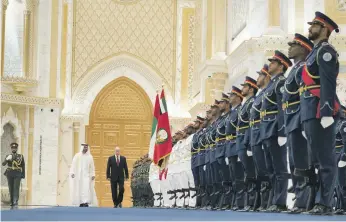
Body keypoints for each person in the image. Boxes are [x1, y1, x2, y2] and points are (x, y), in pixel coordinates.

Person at [300, 11, 340, 215]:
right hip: (309, 112)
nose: (310, 28)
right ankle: (315, 202)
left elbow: (327, 83)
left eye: (314, 24)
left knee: (325, 161)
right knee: (314, 161)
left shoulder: (326, 52)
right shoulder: (313, 53)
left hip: (319, 112)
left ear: (325, 28)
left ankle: (325, 203)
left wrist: (326, 112)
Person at [283, 33, 313, 214]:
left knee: (302, 162)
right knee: (294, 162)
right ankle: (299, 199)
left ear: (302, 48)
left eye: (293, 45)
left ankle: (304, 201)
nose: (290, 47)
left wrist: (303, 121)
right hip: (290, 119)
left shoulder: (303, 68)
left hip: (298, 118)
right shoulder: (294, 70)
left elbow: (305, 96)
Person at [261, 50, 292, 212]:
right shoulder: (271, 84)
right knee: (271, 169)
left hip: (275, 129)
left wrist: (282, 132)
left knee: (279, 168)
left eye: (273, 62)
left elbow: (282, 108)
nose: (270, 65)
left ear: (281, 66)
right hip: (267, 129)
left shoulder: (280, 83)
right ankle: (274, 200)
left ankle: (280, 201)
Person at [250, 64, 272, 211]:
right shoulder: (260, 95)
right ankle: (262, 202)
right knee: (260, 172)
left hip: (265, 133)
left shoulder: (268, 92)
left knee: (268, 170)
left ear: (266, 77)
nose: (258, 78)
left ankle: (269, 202)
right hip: (256, 135)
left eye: (260, 75)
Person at [237, 76, 258, 212]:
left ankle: (253, 202)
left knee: (251, 172)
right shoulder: (246, 104)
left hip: (247, 138)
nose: (242, 89)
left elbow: (250, 124)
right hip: (241, 139)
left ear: (251, 89)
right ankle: (248, 202)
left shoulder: (252, 103)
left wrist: (248, 142)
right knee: (246, 172)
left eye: (245, 86)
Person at [2, 142, 25, 209]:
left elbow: (23, 166)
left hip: (17, 173)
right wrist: (6, 159)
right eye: (12, 148)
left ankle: (15, 201)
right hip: (9, 173)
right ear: (11, 148)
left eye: (15, 148)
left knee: (16, 188)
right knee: (10, 188)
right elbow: (3, 164)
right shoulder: (8, 156)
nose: (14, 149)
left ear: (17, 148)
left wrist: (23, 174)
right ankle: (12, 201)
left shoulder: (20, 156)